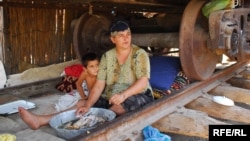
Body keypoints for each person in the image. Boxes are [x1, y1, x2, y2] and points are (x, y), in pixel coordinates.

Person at [76, 19, 154, 116]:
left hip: (137, 95)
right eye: (121, 35)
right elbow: (99, 85)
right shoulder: (106, 56)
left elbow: (143, 82)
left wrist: (123, 96)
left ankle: (100, 123)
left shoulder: (140, 54)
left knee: (115, 110)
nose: (126, 38)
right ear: (113, 39)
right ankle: (53, 119)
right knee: (81, 104)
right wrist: (87, 105)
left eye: (128, 34)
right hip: (111, 96)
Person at [18, 52, 99, 130]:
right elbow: (79, 84)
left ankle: (42, 121)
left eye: (97, 65)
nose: (96, 68)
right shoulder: (85, 74)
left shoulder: (101, 74)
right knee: (80, 104)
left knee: (82, 105)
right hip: (91, 96)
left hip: (98, 98)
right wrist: (83, 96)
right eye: (92, 66)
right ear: (85, 69)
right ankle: (42, 120)